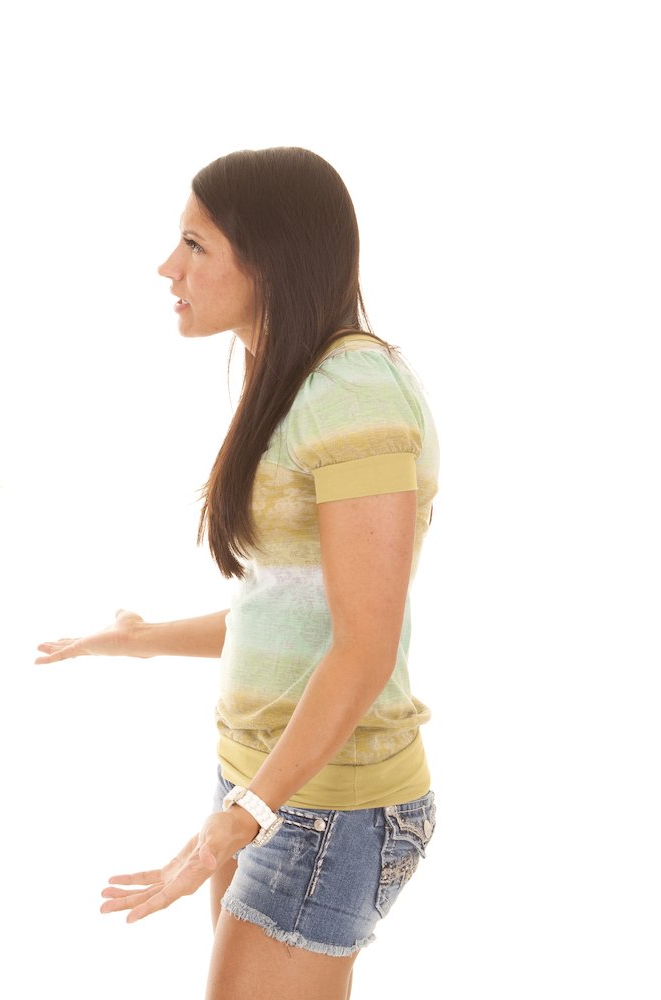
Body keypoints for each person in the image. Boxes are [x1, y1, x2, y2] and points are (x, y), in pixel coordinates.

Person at [35, 147, 438, 999]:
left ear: (270, 259)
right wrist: (133, 641)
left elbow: (364, 650)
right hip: (269, 781)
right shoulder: (291, 383)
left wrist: (240, 820)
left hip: (324, 801)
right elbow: (290, 613)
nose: (166, 267)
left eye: (194, 245)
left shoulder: (354, 391)